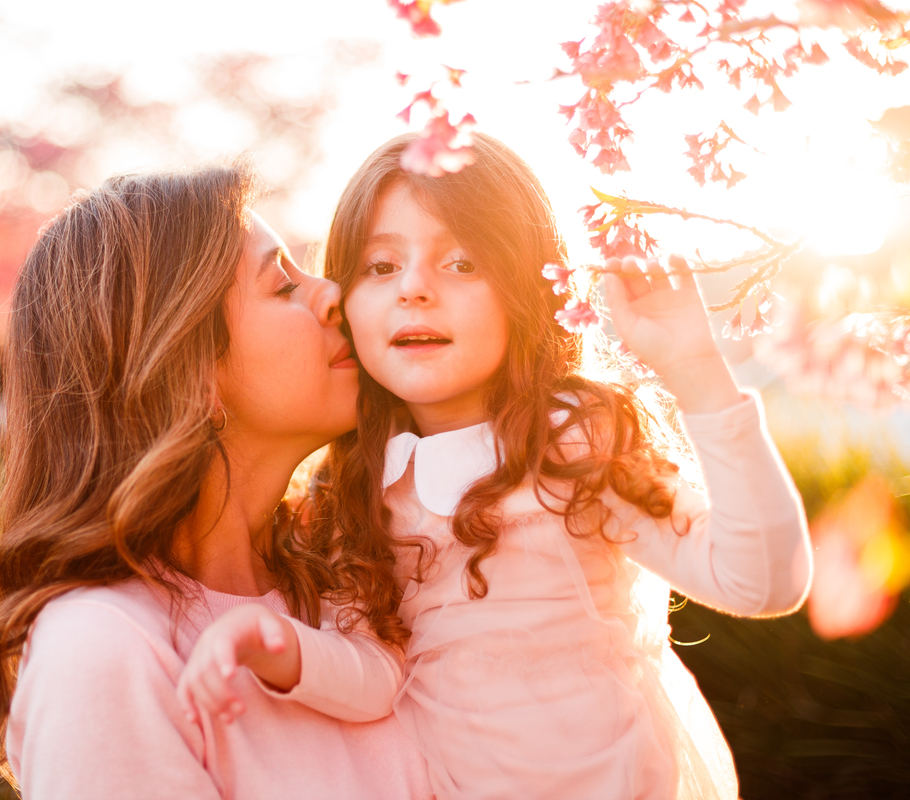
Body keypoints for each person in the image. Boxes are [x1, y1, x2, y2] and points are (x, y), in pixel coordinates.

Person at [176, 133, 814, 799]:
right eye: (380, 266)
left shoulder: (572, 442)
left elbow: (761, 582)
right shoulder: (358, 486)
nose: (415, 290)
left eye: (461, 263)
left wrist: (697, 373)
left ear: (523, 287)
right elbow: (375, 678)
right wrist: (275, 645)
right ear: (345, 303)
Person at [0, 164, 433, 799]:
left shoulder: (357, 586)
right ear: (188, 372)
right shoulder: (104, 651)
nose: (333, 294)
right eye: (282, 285)